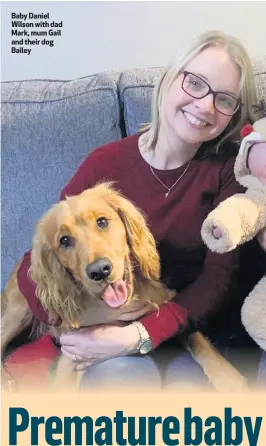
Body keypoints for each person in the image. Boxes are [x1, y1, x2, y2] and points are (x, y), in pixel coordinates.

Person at [17, 30, 261, 391]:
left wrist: (139, 334)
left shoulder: (229, 170)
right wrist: (87, 320)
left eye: (224, 99)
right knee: (123, 382)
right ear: (169, 79)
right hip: (114, 330)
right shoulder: (105, 164)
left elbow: (219, 281)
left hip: (191, 325)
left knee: (193, 395)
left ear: (232, 115)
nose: (206, 106)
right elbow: (33, 267)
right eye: (195, 83)